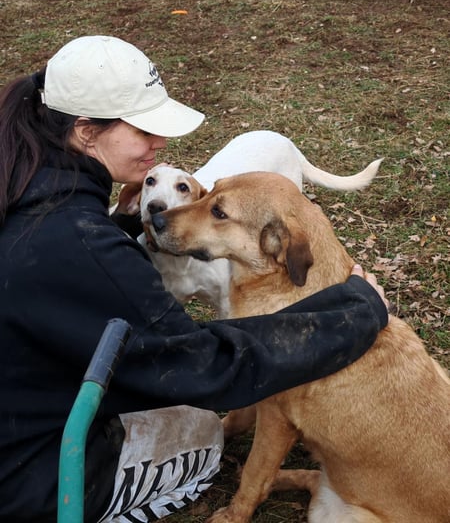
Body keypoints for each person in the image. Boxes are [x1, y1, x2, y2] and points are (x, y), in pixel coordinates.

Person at [0, 35, 388, 523]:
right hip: (28, 479)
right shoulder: (83, 244)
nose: (160, 144)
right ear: (86, 131)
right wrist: (354, 316)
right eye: (144, 130)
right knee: (203, 433)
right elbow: (203, 368)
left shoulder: (25, 182)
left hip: (23, 408)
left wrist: (123, 224)